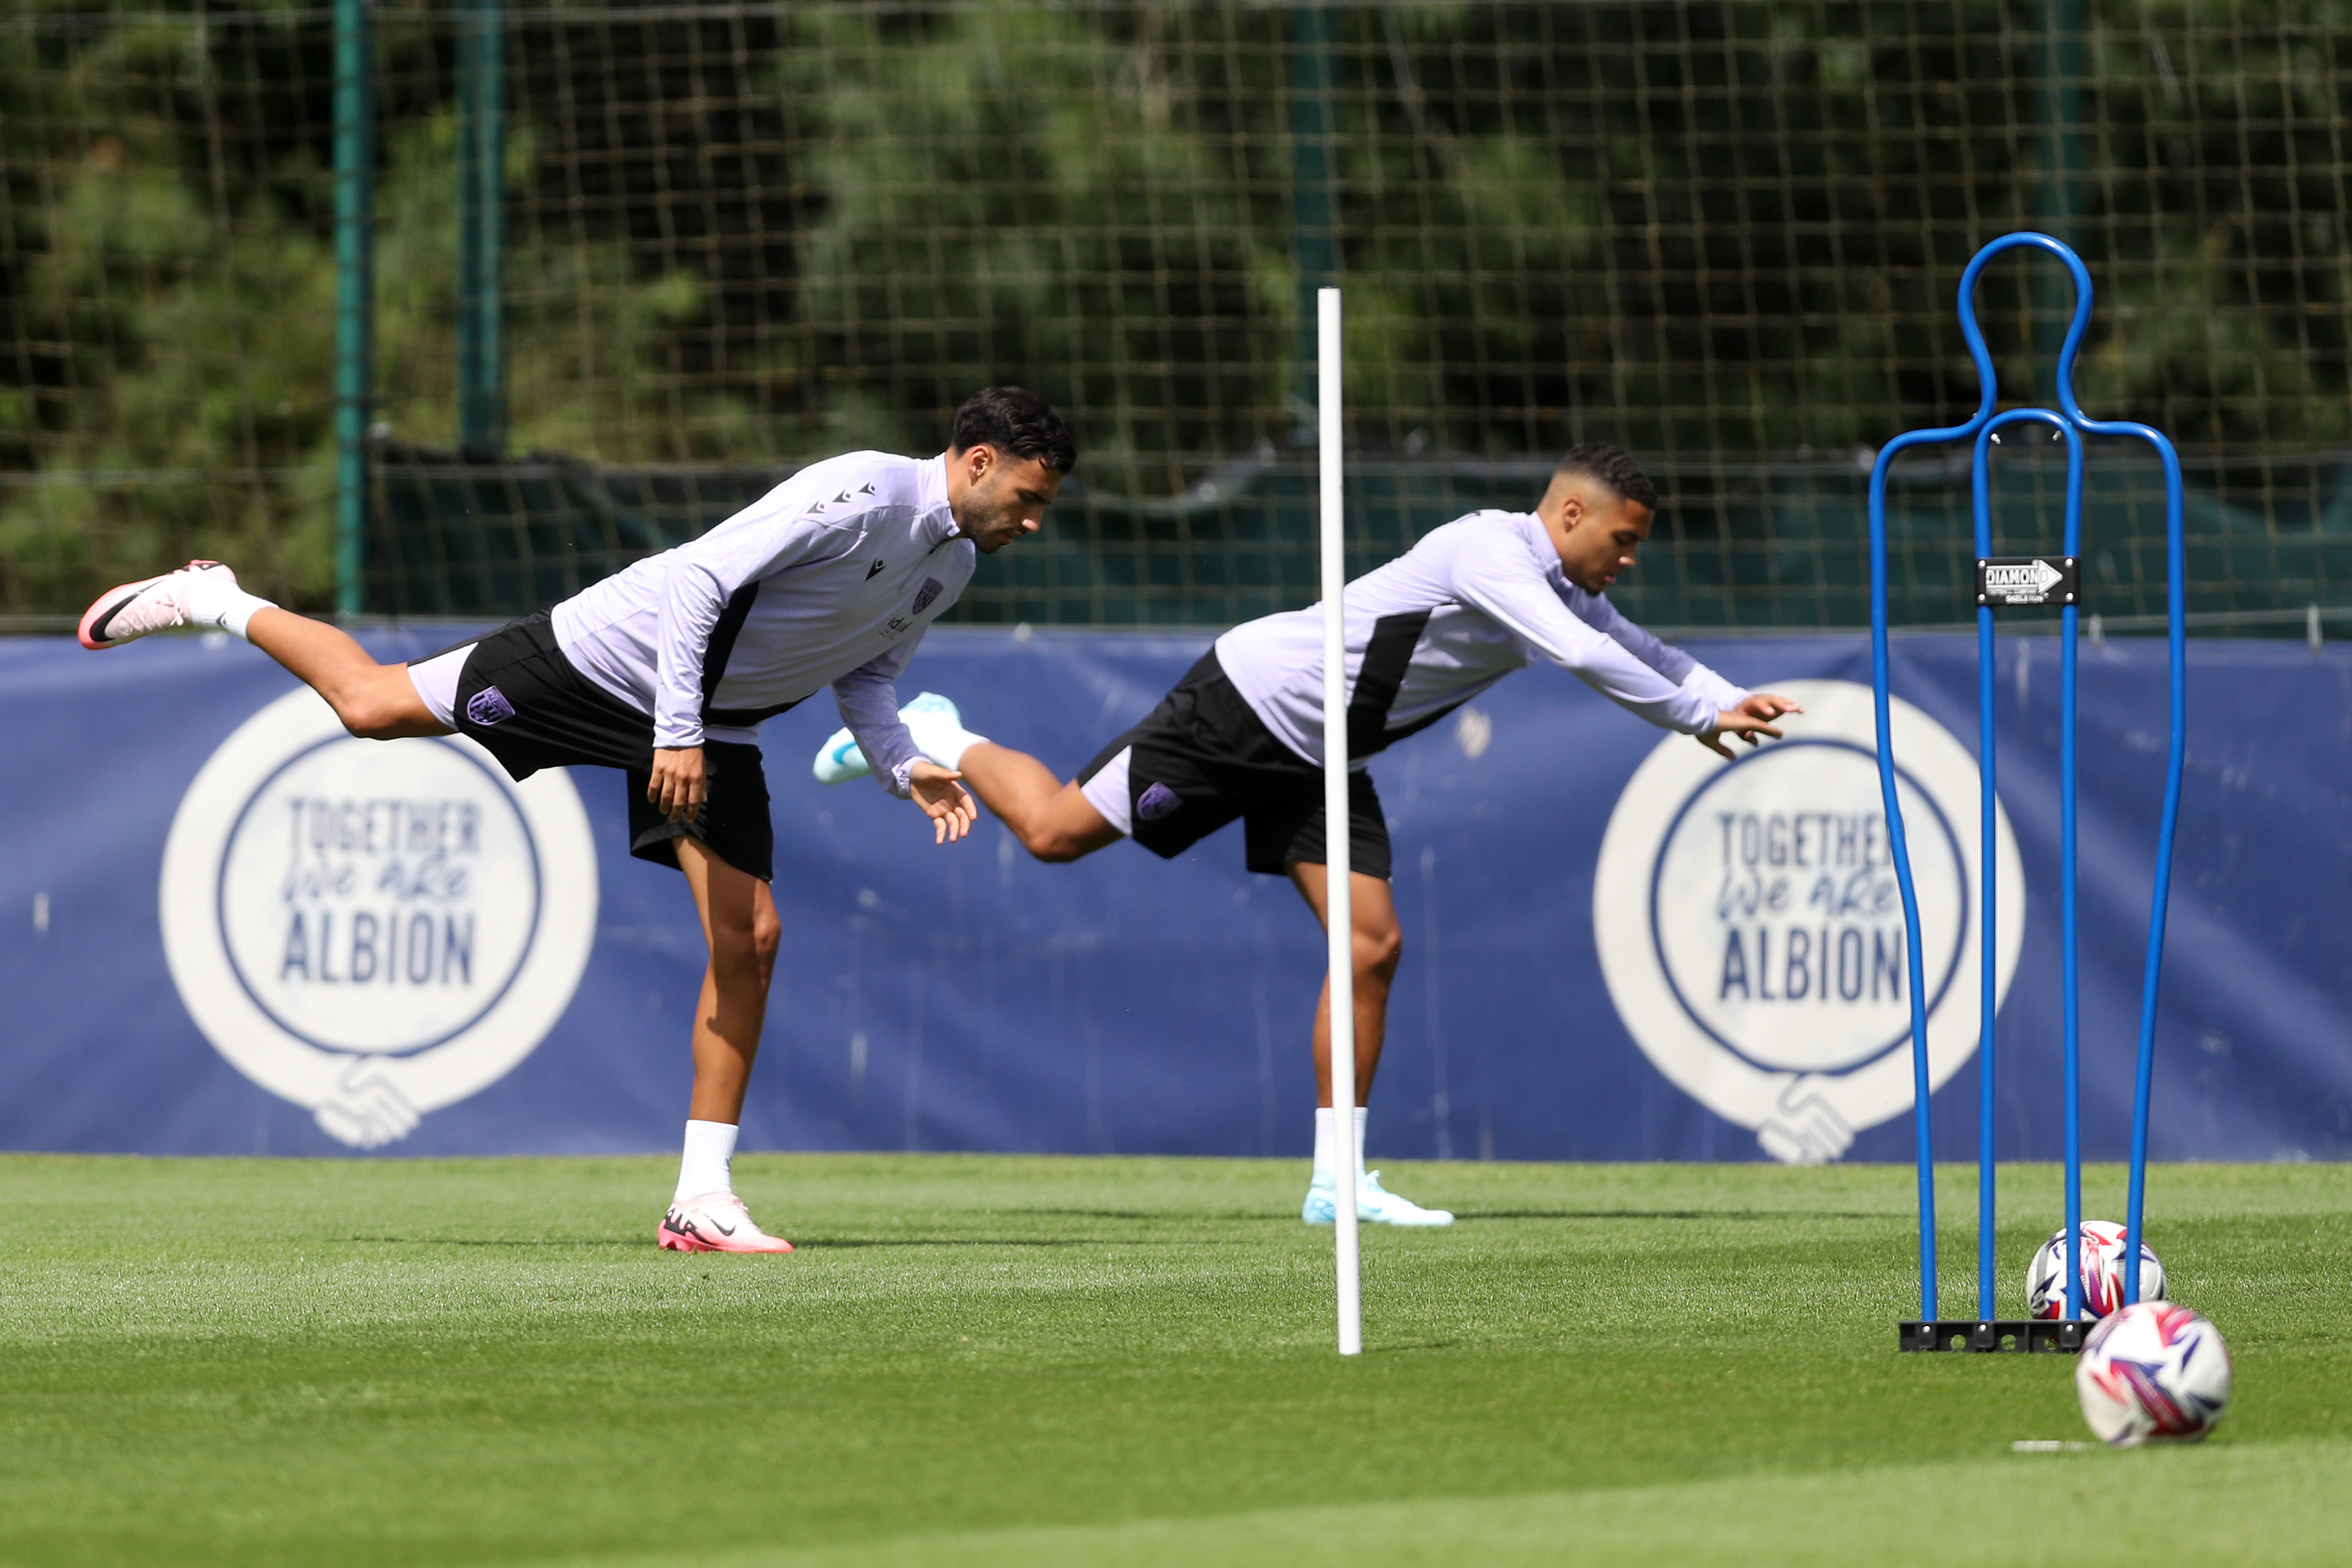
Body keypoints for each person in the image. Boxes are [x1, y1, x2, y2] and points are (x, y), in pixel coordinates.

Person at [79, 386, 1078, 1254]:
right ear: (978, 461)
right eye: (1027, 498)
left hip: (711, 728)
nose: (1032, 522)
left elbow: (867, 676)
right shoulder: (861, 489)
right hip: (607, 661)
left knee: (753, 936)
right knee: (372, 710)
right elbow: (697, 579)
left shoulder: (951, 568)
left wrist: (904, 763)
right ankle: (217, 601)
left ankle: (700, 1200)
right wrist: (673, 732)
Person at [813, 443, 1799, 1225]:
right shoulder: (1490, 552)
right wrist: (1691, 718)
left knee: (1373, 944)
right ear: (1569, 514)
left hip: (1325, 756)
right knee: (1054, 833)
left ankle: (1339, 1184)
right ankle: (941, 733)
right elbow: (1583, 653)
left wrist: (1718, 699)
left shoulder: (1569, 589)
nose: (1626, 560)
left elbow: (1629, 641)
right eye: (1622, 541)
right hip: (1248, 705)